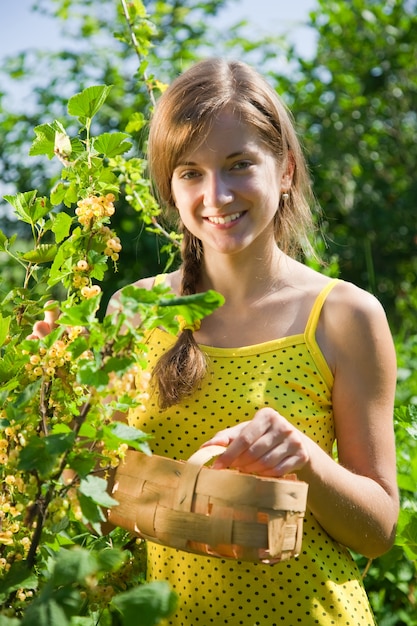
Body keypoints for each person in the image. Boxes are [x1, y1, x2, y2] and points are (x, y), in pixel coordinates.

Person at [34, 58, 399, 625]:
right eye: (191, 172)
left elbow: (376, 531)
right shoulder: (135, 310)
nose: (217, 194)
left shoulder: (344, 315)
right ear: (170, 188)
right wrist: (53, 395)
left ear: (285, 170)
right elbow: (98, 507)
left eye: (238, 165)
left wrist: (307, 462)